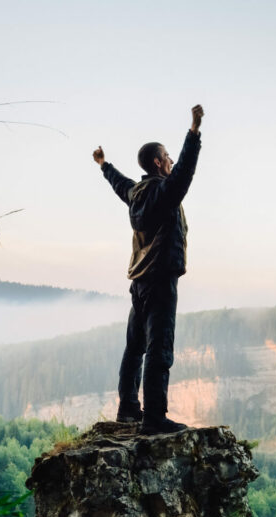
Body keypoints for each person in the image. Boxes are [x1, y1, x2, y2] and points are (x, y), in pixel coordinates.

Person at [93, 104, 204, 435]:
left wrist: (103, 164)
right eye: (167, 156)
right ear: (158, 163)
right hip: (160, 280)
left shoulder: (136, 193)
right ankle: (154, 416)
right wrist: (194, 131)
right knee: (159, 347)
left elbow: (119, 182)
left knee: (135, 347)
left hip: (139, 282)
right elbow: (185, 171)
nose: (170, 160)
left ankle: (128, 409)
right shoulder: (163, 192)